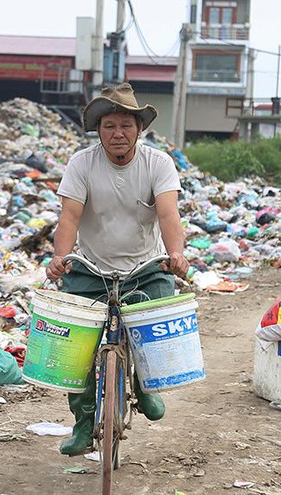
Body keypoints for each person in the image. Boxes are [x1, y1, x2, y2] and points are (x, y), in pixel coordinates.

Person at [46, 82, 189, 456]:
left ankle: (146, 387)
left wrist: (176, 254)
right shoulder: (82, 163)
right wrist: (60, 257)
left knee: (155, 330)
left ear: (139, 129)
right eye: (109, 125)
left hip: (145, 267)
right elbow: (69, 216)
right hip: (90, 268)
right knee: (74, 351)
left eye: (126, 124)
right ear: (99, 130)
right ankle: (82, 423)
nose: (118, 133)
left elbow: (168, 213)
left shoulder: (158, 163)